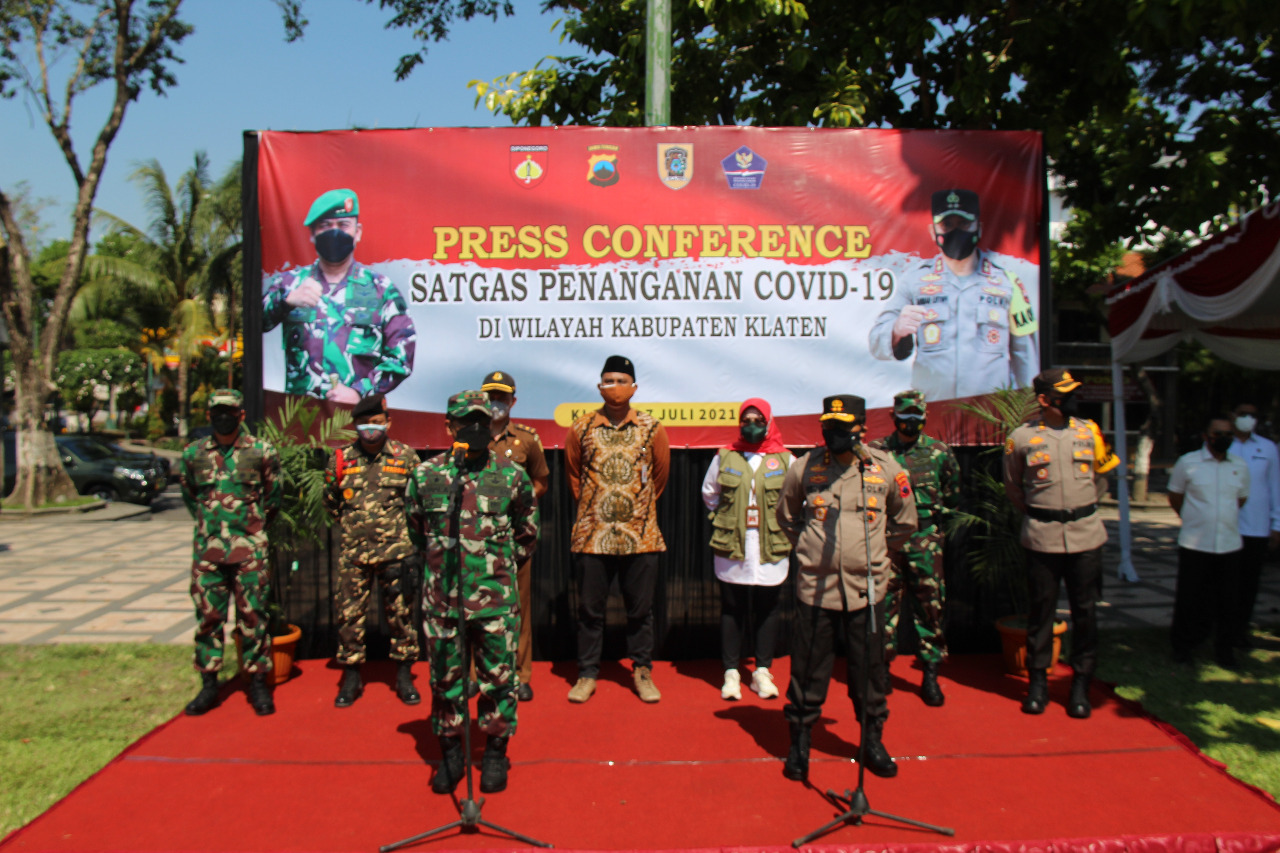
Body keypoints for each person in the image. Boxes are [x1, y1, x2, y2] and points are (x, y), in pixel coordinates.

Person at [777, 394, 918, 781]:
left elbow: (905, 524)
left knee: (868, 672)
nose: (831, 433)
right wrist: (809, 550)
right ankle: (800, 742)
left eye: (840, 427)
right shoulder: (805, 468)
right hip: (815, 589)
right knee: (807, 670)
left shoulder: (885, 469)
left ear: (861, 429)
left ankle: (871, 740)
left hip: (867, 590)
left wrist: (870, 555)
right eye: (827, 426)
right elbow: (788, 516)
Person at [405, 391, 539, 795]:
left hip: (494, 601)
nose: (475, 430)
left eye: (482, 422)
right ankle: (450, 754)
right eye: (466, 423)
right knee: (446, 681)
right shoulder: (426, 476)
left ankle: (496, 752)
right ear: (449, 428)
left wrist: (493, 569)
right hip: (443, 602)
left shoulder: (511, 475)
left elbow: (526, 533)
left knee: (500, 680)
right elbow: (416, 532)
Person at [1003, 369, 1119, 719]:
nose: (1072, 399)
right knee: (1041, 611)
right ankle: (1037, 683)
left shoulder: (1089, 431)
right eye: (1064, 393)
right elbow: (1013, 487)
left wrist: (1081, 509)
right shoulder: (1021, 438)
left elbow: (1101, 477)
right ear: (1044, 400)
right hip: (1043, 534)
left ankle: (1081, 683)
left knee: (1085, 611)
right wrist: (1045, 513)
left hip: (1086, 533)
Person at [564, 355, 670, 704]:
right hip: (592, 536)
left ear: (634, 387)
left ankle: (642, 671)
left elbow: (659, 477)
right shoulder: (581, 428)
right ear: (599, 386)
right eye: (608, 381)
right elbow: (575, 476)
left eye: (622, 380)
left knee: (640, 611)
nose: (615, 387)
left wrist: (634, 508)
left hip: (640, 536)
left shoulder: (652, 428)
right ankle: (587, 673)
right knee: (590, 612)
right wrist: (597, 509)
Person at [869, 188, 1039, 401]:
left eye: (964, 224)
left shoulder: (1007, 282)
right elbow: (875, 342)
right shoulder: (914, 280)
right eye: (947, 225)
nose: (956, 231)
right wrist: (896, 330)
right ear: (933, 231)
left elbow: (1026, 356)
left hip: (989, 413)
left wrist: (1029, 411)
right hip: (932, 410)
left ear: (979, 228)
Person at [177, 389, 282, 717]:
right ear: (209, 415)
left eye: (230, 411)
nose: (224, 416)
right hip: (208, 554)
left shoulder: (261, 451)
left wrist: (250, 531)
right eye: (217, 411)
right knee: (209, 619)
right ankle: (209, 684)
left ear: (241, 415)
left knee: (253, 617)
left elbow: (273, 497)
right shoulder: (193, 454)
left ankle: (258, 683)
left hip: (249, 552)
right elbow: (190, 496)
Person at [262, 188, 416, 402]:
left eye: (343, 225)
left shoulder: (381, 289)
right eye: (325, 226)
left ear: (358, 232)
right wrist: (286, 302)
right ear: (312, 234)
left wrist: (360, 391)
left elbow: (402, 356)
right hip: (301, 419)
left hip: (358, 420)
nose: (335, 232)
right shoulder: (289, 284)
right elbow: (254, 324)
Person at [323, 393, 422, 708]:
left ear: (388, 422)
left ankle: (404, 677)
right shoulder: (340, 459)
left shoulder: (406, 457)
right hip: (355, 556)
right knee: (350, 617)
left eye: (377, 423)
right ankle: (352, 678)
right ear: (355, 425)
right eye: (364, 423)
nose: (370, 428)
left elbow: (418, 504)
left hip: (397, 553)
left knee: (402, 617)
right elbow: (331, 503)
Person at [870, 389, 960, 706]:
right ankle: (881, 671)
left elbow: (952, 494)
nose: (911, 422)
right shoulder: (876, 452)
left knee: (931, 607)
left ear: (924, 417)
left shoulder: (939, 452)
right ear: (894, 417)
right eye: (905, 416)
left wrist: (934, 531)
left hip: (925, 539)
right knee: (883, 607)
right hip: (887, 539)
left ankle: (931, 674)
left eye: (916, 417)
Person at [701, 399, 793, 701]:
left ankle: (762, 671)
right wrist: (725, 518)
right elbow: (710, 493)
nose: (751, 425)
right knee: (732, 608)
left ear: (768, 423)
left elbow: (797, 499)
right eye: (746, 419)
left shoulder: (785, 460)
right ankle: (731, 672)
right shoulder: (726, 456)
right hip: (733, 543)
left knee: (768, 607)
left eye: (757, 419)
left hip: (771, 543)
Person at [481, 370, 550, 701]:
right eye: (491, 397)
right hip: (475, 538)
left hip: (515, 537)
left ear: (513, 401)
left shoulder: (527, 439)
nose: (496, 403)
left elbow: (541, 481)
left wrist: (522, 501)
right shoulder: (468, 437)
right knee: (474, 606)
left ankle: (521, 675)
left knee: (518, 607)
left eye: (502, 398)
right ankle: (472, 673)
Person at [1168, 415, 1251, 668]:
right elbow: (1175, 496)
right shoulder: (1188, 463)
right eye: (1218, 434)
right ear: (1206, 436)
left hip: (1228, 544)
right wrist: (1194, 518)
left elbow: (1241, 500)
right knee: (1189, 599)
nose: (1223, 439)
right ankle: (1183, 648)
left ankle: (1224, 651)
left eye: (1228, 434)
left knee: (1228, 601)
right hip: (1196, 543)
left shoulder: (1239, 465)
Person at [1228, 402, 1280, 648]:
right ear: (1232, 416)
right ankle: (1218, 632)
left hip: (1256, 528)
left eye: (1252, 415)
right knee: (1222, 584)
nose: (1247, 419)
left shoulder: (1267, 448)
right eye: (1242, 414)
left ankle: (1239, 632)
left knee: (1248, 586)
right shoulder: (1223, 445)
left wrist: (1277, 524)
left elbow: (1275, 488)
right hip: (1225, 526)